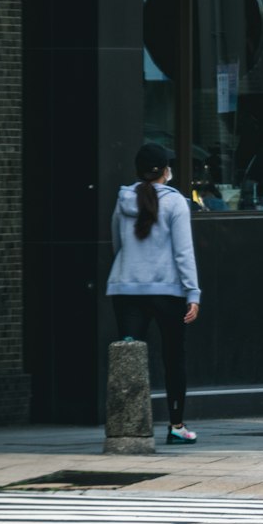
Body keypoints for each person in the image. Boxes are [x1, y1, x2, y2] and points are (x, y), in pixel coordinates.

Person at [106, 142, 201, 445]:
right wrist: (193, 293)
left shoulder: (123, 199)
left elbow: (116, 243)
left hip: (126, 288)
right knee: (174, 357)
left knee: (129, 356)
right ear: (165, 172)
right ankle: (176, 425)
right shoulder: (176, 203)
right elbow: (184, 253)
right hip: (167, 290)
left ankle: (127, 424)